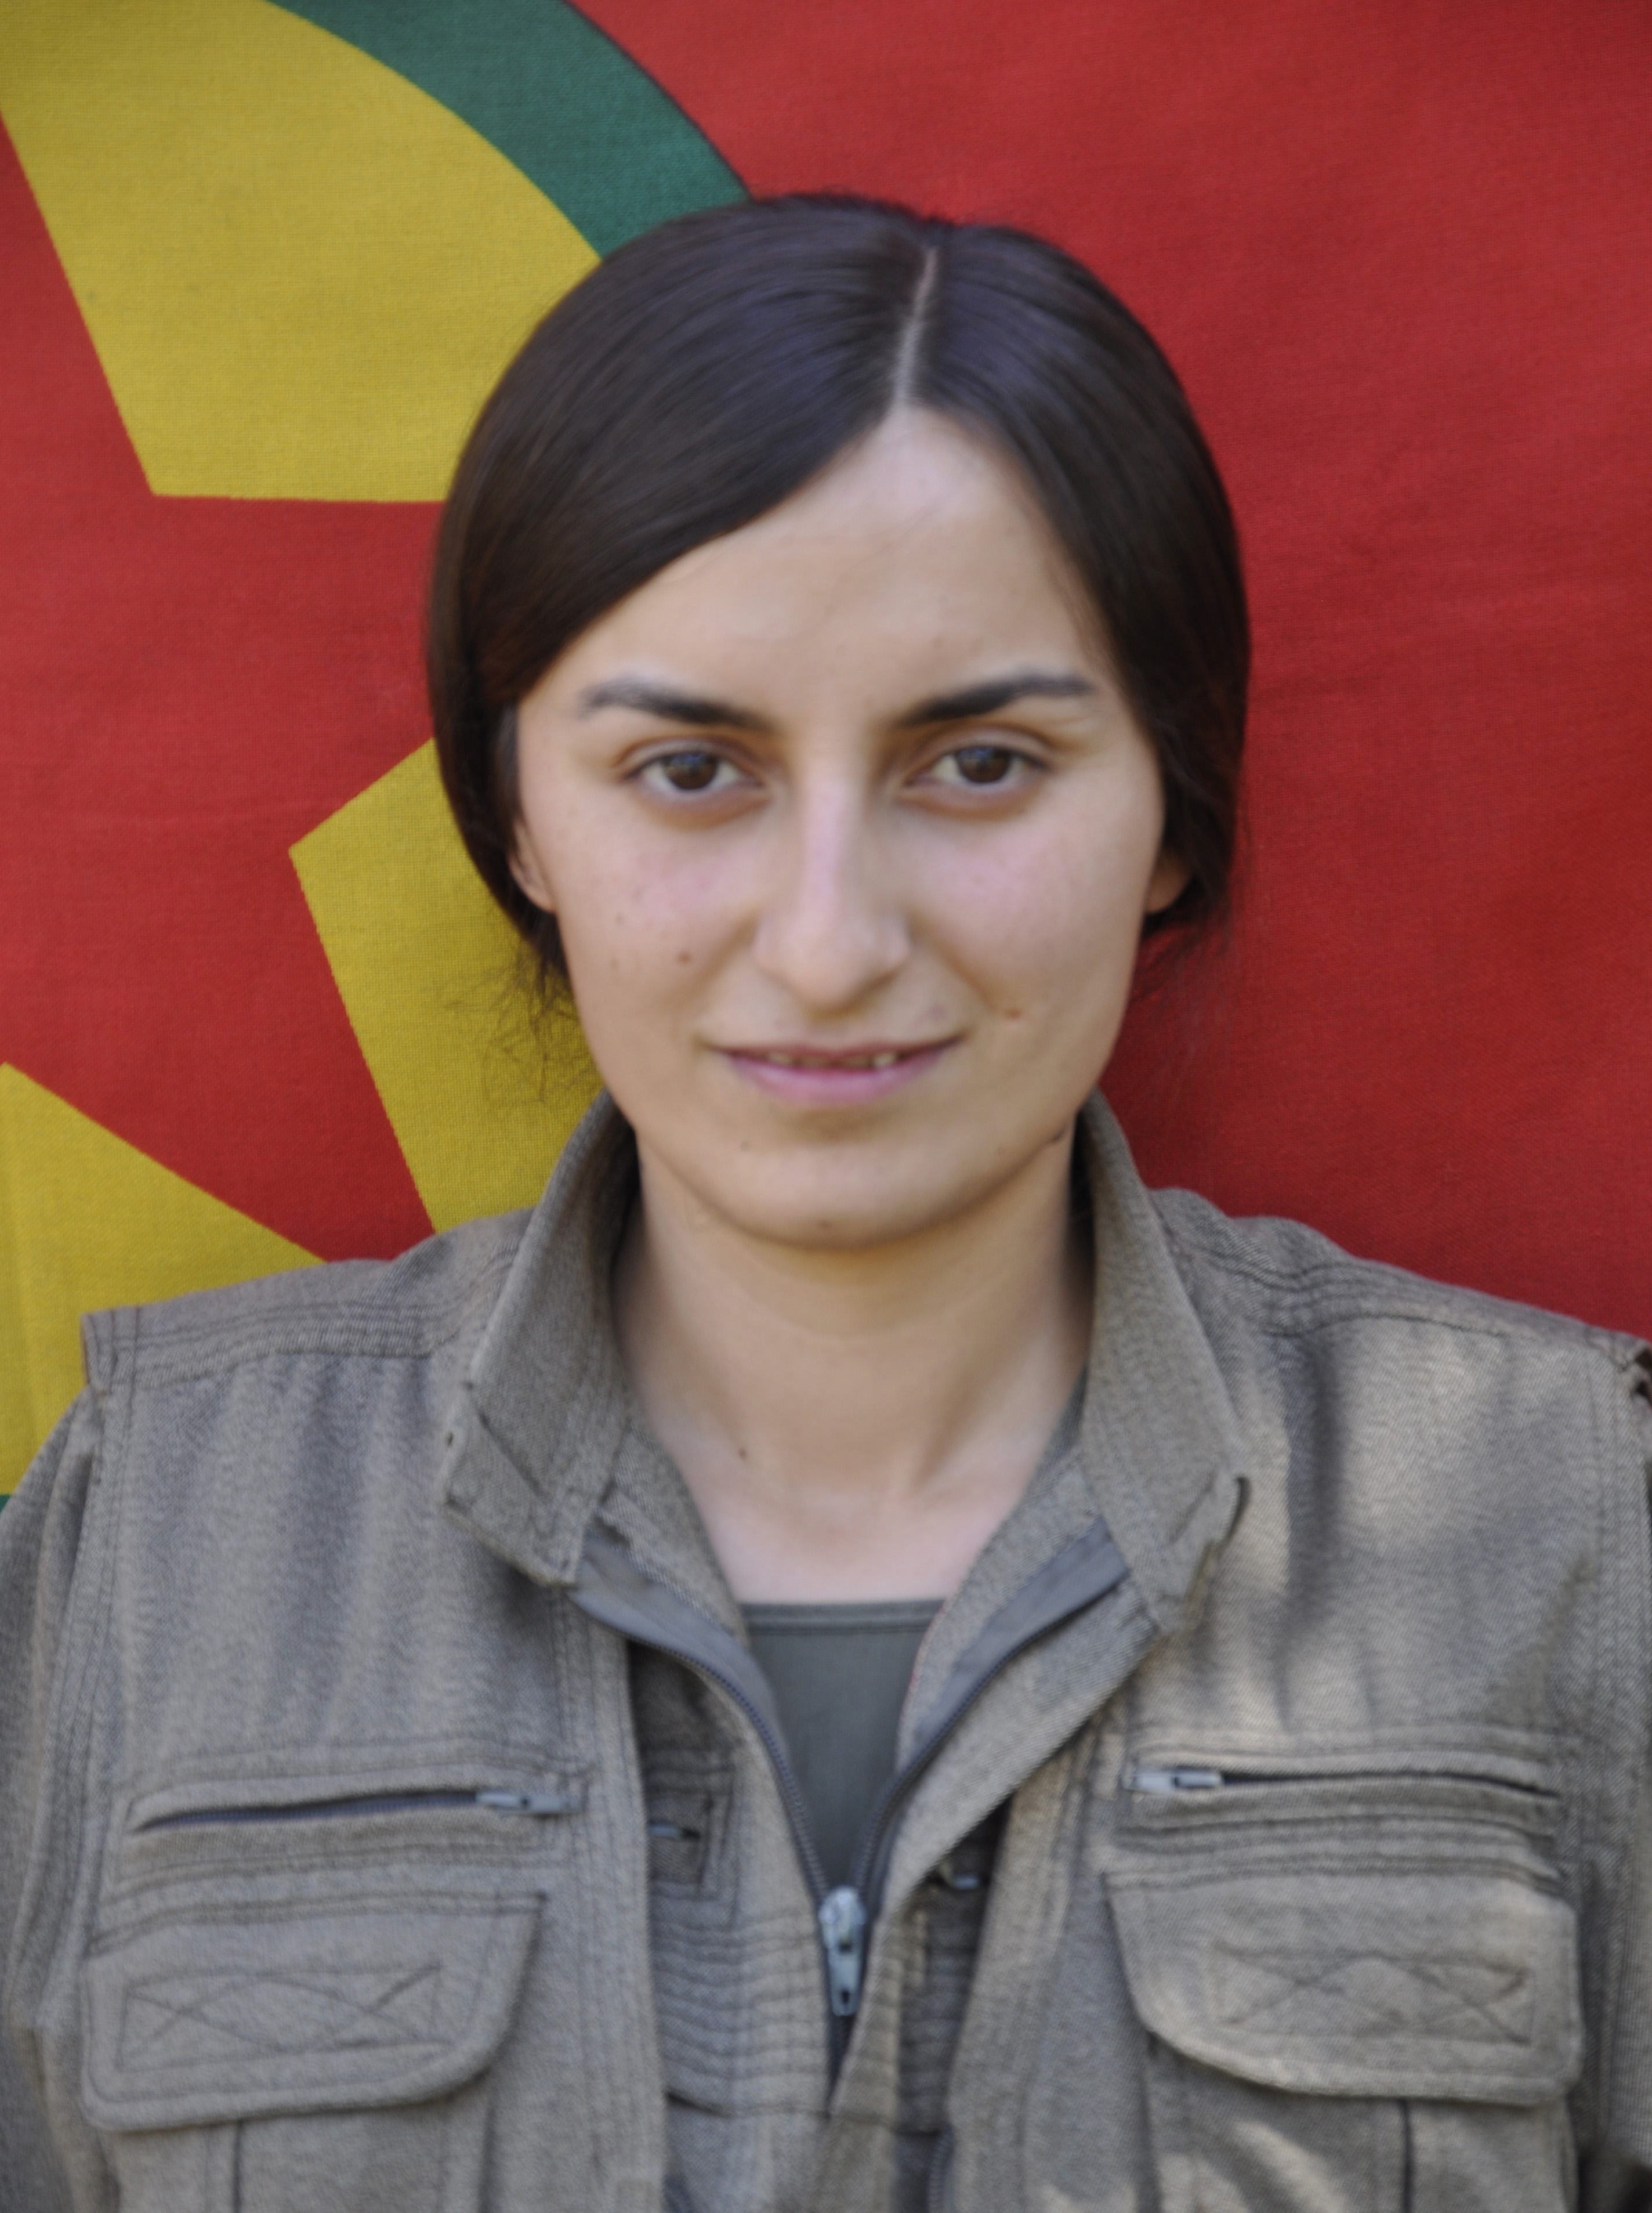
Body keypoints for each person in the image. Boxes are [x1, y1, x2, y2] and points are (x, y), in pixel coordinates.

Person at [1, 194, 1648, 2213]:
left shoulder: (1566, 1524)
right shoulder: (149, 1543)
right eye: (694, 771)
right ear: (519, 819)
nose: (830, 941)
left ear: (1170, 807)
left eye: (982, 763)